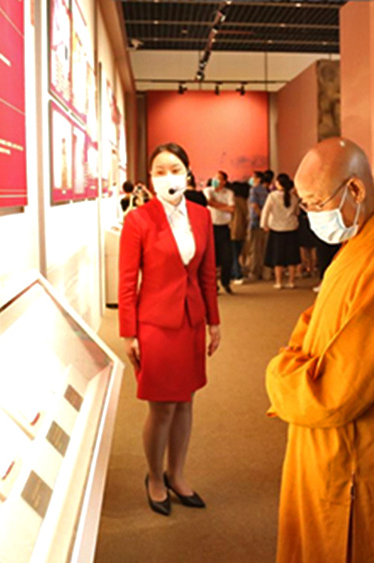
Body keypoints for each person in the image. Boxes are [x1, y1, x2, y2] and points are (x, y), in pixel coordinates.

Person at [266, 137, 374, 562]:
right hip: (325, 442)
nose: (311, 215)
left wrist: (280, 375)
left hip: (353, 458)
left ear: (354, 189)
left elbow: (338, 391)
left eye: (317, 203)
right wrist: (295, 359)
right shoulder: (362, 239)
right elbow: (313, 320)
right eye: (306, 206)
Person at [118, 143, 222, 517]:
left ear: (188, 173)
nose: (168, 176)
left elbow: (207, 274)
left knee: (186, 402)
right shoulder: (138, 220)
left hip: (191, 322)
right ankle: (154, 477)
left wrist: (213, 321)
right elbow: (126, 281)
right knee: (162, 407)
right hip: (156, 325)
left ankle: (176, 474)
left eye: (174, 169)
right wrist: (129, 333)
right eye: (159, 171)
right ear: (150, 178)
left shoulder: (201, 216)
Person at [261, 174, 302, 289]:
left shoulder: (272, 196)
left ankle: (278, 282)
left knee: (277, 257)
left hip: (276, 229)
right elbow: (297, 212)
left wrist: (264, 224)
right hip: (291, 228)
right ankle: (291, 282)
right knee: (292, 257)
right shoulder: (293, 197)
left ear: (279, 184)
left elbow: (266, 211)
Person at [204, 171, 236, 294]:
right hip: (210, 227)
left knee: (227, 257)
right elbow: (209, 202)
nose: (215, 181)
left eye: (218, 179)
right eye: (214, 178)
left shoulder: (229, 193)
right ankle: (213, 285)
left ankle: (225, 282)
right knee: (212, 258)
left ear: (224, 181)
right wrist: (224, 207)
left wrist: (217, 205)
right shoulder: (208, 190)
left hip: (224, 228)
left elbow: (231, 208)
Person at [246, 172, 270, 281]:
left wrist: (261, 217)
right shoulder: (266, 190)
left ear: (258, 179)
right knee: (263, 249)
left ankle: (254, 272)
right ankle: (264, 272)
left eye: (253, 177)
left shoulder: (254, 190)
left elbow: (254, 205)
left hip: (256, 222)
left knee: (254, 249)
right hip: (266, 223)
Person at [229, 181, 250, 284]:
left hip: (232, 230)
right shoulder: (244, 201)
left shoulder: (233, 201)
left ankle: (237, 274)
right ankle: (235, 272)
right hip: (242, 230)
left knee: (233, 254)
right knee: (237, 253)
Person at [296, 205, 317, 279]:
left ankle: (304, 269)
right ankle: (312, 269)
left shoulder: (299, 205)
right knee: (313, 250)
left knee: (303, 251)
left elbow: (296, 213)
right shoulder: (314, 205)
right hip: (312, 228)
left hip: (302, 227)